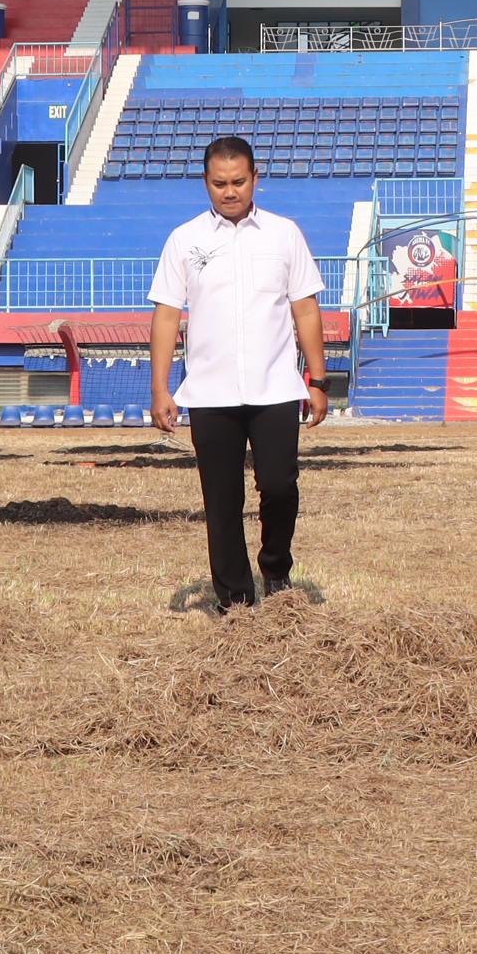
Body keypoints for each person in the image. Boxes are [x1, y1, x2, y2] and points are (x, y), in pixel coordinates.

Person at [149, 135, 330, 611]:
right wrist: (160, 388)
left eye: (238, 182)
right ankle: (236, 600)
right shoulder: (184, 240)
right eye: (219, 183)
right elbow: (167, 315)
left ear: (255, 179)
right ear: (205, 183)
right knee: (222, 499)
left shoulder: (284, 234)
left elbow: (306, 309)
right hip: (210, 392)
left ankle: (276, 568)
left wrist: (317, 379)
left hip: (274, 387)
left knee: (278, 485)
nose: (229, 192)